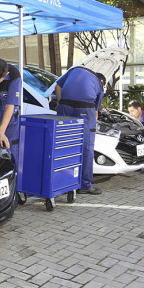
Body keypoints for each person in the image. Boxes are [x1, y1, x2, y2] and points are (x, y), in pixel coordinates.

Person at [54, 67, 106, 195]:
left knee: (63, 143)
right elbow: (95, 111)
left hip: (65, 106)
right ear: (102, 81)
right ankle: (85, 185)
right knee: (87, 147)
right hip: (85, 108)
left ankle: (62, 182)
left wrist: (62, 104)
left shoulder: (74, 70)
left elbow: (57, 87)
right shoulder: (99, 85)